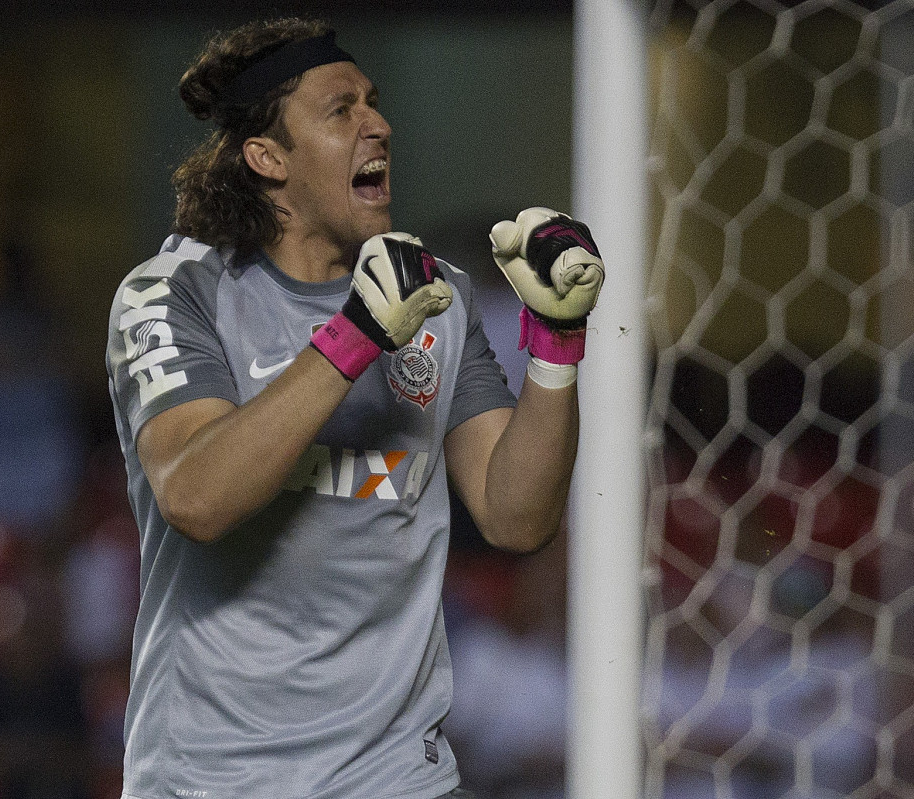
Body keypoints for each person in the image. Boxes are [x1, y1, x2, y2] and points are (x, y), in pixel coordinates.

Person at [105, 17, 605, 799]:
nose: (379, 124)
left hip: (396, 775)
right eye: (341, 110)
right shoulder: (175, 293)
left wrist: (556, 344)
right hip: (212, 777)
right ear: (267, 157)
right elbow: (195, 497)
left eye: (374, 103)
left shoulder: (437, 299)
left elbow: (517, 517)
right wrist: (356, 337)